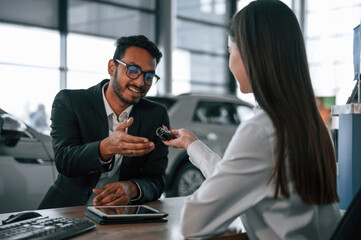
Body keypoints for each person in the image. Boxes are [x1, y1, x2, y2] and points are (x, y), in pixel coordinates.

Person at [162, 1, 341, 239]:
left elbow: (194, 224)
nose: (229, 63)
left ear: (250, 53)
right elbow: (247, 181)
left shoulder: (261, 130)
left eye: (230, 51)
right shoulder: (313, 125)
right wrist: (193, 146)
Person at [38, 35, 170, 209]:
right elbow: (65, 160)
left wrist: (131, 189)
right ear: (112, 67)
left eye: (149, 76)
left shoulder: (155, 115)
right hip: (69, 209)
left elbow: (156, 180)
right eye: (132, 70)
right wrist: (106, 148)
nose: (140, 82)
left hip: (121, 215)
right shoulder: (70, 101)